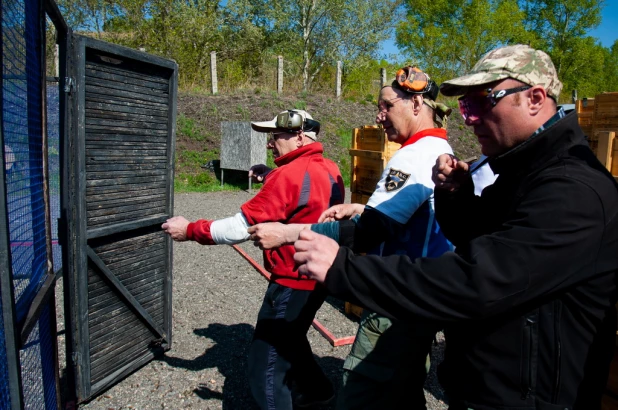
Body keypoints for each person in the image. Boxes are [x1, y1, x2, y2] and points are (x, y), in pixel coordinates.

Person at [290, 44, 618, 408]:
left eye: (481, 102)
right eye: (466, 106)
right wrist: (457, 196)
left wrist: (342, 267)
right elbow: (483, 242)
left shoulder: (573, 191)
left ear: (535, 99)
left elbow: (478, 280)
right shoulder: (525, 170)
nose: (469, 118)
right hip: (494, 387)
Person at [249, 67, 456, 409]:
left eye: (387, 105)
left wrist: (289, 232)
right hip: (421, 291)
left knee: (363, 389)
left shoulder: (412, 155)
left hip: (396, 296)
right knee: (403, 388)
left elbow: (370, 233)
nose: (379, 115)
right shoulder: (436, 147)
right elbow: (411, 216)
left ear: (417, 103)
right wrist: (361, 208)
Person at [162, 109, 345, 409]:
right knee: (294, 338)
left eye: (276, 137)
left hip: (291, 282)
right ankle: (319, 392)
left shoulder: (288, 175)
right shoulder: (330, 168)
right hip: (319, 276)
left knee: (266, 369)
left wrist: (190, 229)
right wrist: (271, 175)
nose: (271, 144)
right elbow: (307, 195)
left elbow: (239, 228)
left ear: (299, 136)